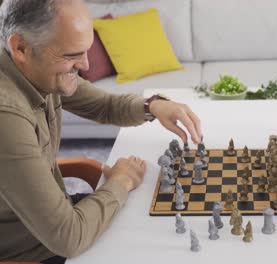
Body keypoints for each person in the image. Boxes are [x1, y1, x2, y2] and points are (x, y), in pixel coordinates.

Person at [0, 0, 202, 263]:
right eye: (72, 55)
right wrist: (121, 180)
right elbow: (67, 237)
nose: (85, 65)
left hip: (53, 221)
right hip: (33, 250)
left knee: (157, 223)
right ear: (21, 48)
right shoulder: (6, 115)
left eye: (87, 51)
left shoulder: (36, 72)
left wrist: (155, 105)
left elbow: (105, 105)